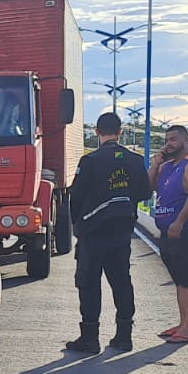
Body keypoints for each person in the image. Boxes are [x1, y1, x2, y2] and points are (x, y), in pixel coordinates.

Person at [65, 112, 150, 354]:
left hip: (93, 232)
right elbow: (145, 193)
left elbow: (76, 197)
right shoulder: (135, 160)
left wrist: (77, 226)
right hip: (122, 230)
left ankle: (90, 338)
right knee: (122, 282)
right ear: (121, 131)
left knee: (89, 283)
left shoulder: (90, 161)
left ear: (96, 132)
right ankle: (124, 336)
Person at [148, 124, 188, 343]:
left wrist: (179, 221)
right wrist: (156, 164)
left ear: (186, 140)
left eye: (173, 139)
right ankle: (182, 323)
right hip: (170, 231)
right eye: (167, 139)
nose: (169, 143)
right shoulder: (167, 166)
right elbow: (150, 188)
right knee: (180, 280)